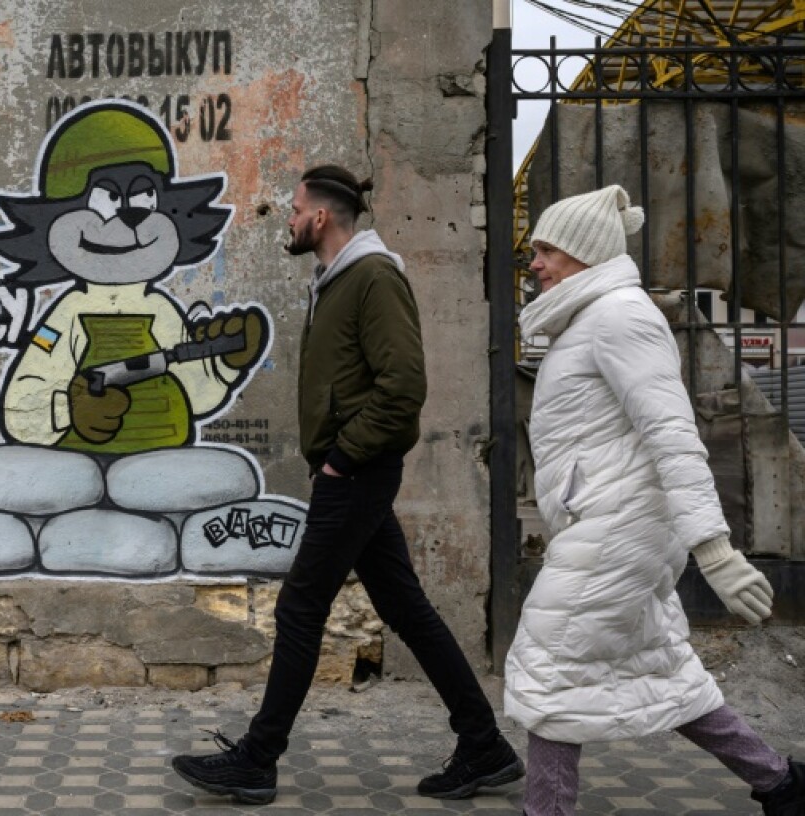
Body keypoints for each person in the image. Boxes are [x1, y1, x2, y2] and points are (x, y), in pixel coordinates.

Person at [170, 165, 525, 804]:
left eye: (296, 208)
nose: (289, 217)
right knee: (405, 608)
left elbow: (403, 388)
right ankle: (484, 744)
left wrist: (342, 458)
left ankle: (258, 758)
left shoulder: (373, 277)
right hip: (351, 468)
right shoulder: (336, 279)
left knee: (301, 607)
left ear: (322, 217)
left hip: (357, 470)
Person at [507, 184, 805, 816]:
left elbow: (673, 433)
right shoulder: (589, 317)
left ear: (584, 254)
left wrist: (715, 550)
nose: (533, 262)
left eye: (546, 250)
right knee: (663, 671)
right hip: (610, 522)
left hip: (621, 526)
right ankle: (780, 784)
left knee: (551, 669)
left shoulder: (621, 316)